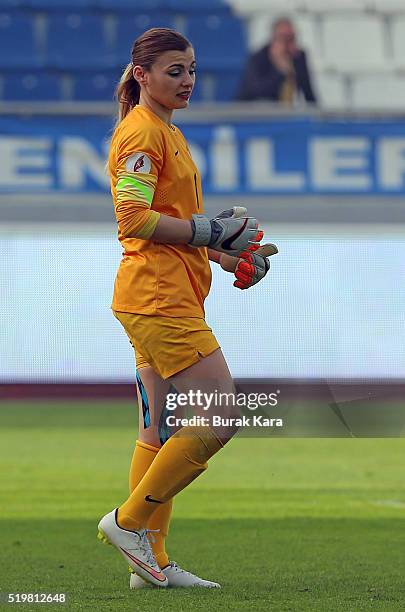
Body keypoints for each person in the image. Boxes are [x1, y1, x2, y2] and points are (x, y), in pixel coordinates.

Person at [97, 27, 276, 589]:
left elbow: (170, 226)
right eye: (174, 71)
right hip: (161, 302)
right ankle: (127, 524)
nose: (187, 81)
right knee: (220, 415)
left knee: (159, 429)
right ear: (142, 75)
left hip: (156, 295)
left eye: (192, 70)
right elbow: (134, 218)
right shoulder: (145, 135)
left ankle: (152, 566)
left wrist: (222, 251)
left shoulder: (164, 132)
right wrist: (209, 229)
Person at [237, 16, 317, 105]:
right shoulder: (258, 58)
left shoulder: (299, 57)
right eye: (284, 39)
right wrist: (280, 71)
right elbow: (258, 93)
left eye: (292, 38)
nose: (288, 44)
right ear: (274, 39)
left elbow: (308, 92)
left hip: (287, 112)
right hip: (256, 111)